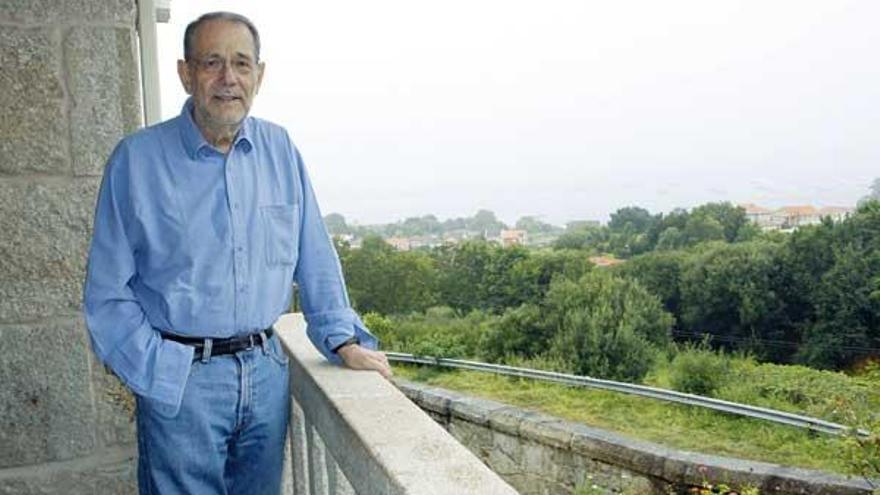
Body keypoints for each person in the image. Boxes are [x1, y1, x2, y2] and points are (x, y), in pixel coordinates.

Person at [83, 11, 391, 495]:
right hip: (182, 383)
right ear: (186, 73)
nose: (229, 79)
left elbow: (314, 255)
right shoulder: (136, 161)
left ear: (259, 75)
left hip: (266, 375)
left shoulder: (280, 149)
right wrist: (160, 373)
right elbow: (106, 293)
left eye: (242, 64)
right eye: (212, 63)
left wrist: (342, 339)